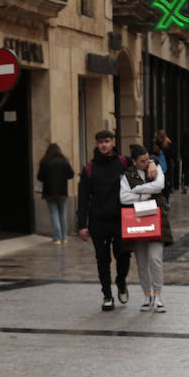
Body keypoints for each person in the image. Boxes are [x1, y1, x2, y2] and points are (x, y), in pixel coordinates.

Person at [76, 130, 132, 310]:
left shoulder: (124, 162)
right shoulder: (89, 168)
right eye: (100, 142)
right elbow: (83, 198)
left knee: (123, 256)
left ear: (113, 142)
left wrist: (153, 163)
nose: (104, 145)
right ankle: (107, 295)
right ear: (96, 144)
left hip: (120, 220)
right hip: (98, 221)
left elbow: (144, 161)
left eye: (107, 141)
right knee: (102, 259)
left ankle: (121, 281)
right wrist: (82, 225)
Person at [120, 144, 170, 312]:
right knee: (141, 261)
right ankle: (147, 295)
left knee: (155, 258)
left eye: (148, 159)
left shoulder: (155, 168)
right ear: (134, 161)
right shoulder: (127, 175)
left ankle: (158, 295)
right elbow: (123, 197)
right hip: (138, 221)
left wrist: (137, 190)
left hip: (156, 217)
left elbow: (159, 185)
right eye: (142, 161)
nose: (146, 162)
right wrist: (145, 195)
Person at [36, 143, 75, 244]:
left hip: (49, 192)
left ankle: (57, 238)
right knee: (62, 213)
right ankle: (64, 237)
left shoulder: (45, 162)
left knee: (54, 213)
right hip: (62, 192)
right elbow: (71, 174)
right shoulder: (64, 161)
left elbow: (40, 177)